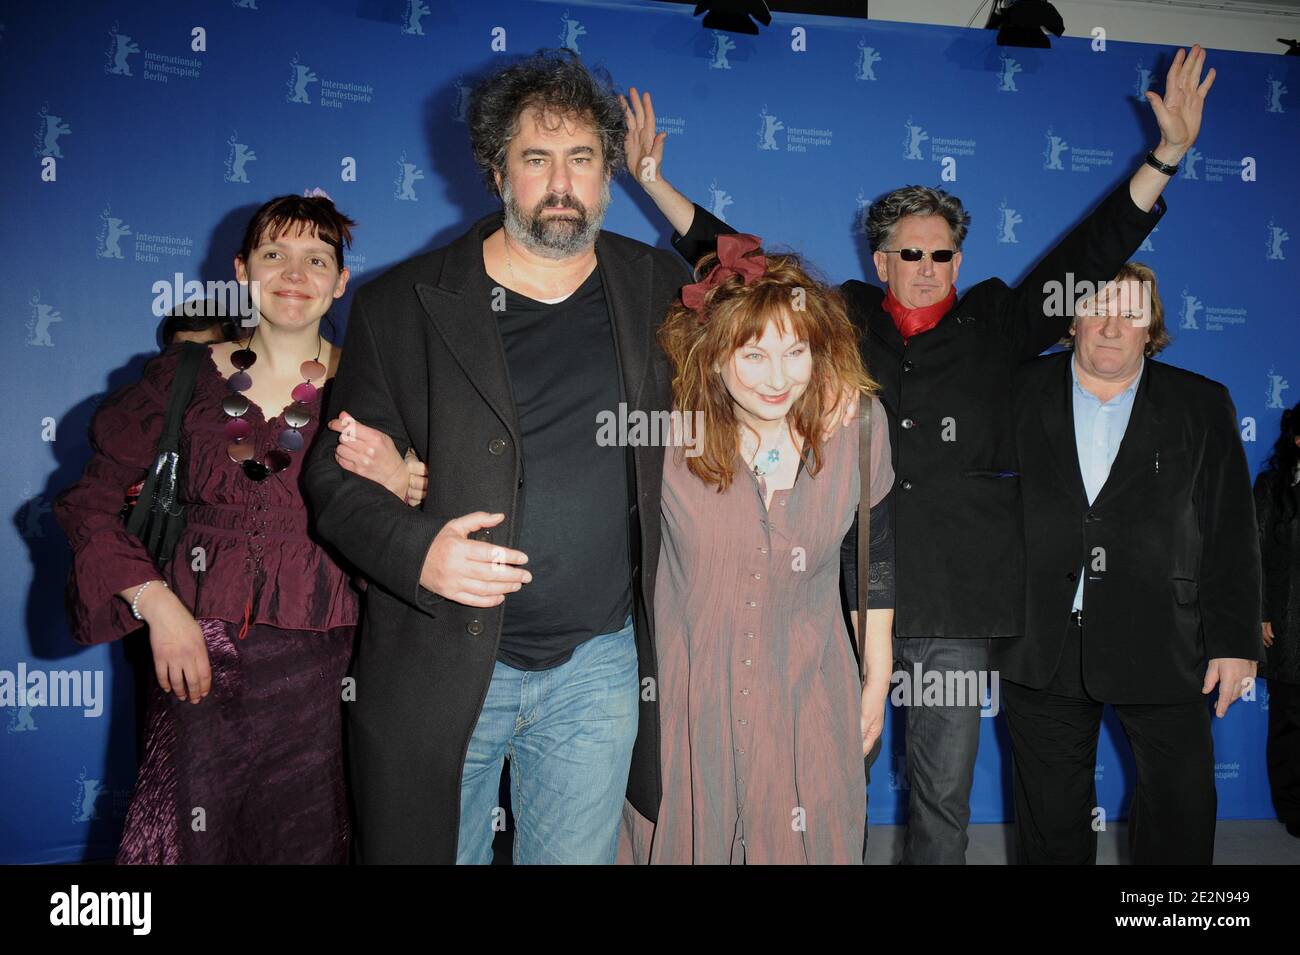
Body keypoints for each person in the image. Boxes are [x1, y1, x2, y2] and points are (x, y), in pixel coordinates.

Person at [623, 42, 1211, 863]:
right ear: (881, 259)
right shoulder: (837, 316)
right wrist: (651, 181)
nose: (927, 268)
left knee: (941, 796)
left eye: (942, 254)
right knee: (825, 782)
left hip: (959, 608)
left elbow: (1088, 257)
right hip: (839, 596)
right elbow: (739, 267)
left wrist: (1166, 157)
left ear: (959, 262)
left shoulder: (999, 321)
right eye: (910, 252)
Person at [302, 49, 699, 865]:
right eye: (537, 159)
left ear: (607, 172)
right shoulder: (399, 304)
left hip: (598, 663)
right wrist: (422, 552)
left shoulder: (655, 285)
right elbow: (333, 480)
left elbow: (760, 281)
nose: (562, 182)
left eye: (583, 159)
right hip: (439, 664)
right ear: (495, 172)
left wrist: (658, 182)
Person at [54, 194, 425, 864]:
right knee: (190, 840)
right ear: (242, 270)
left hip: (331, 670)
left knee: (312, 843)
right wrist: (157, 603)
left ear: (341, 280)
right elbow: (88, 503)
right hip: (198, 657)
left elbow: (428, 533)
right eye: (274, 254)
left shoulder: (379, 385)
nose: (295, 272)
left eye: (317, 258)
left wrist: (403, 487)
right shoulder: (182, 377)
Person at [617, 237, 895, 864]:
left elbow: (874, 560)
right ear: (713, 356)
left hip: (808, 696)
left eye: (798, 352)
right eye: (754, 354)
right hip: (688, 705)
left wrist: (876, 678)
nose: (779, 378)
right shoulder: (665, 434)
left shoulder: (859, 428)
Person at [996, 263, 1262, 864]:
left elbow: (1229, 533)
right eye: (1098, 308)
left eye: (1131, 313)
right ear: (1072, 320)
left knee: (1179, 809)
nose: (1112, 327)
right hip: (1042, 642)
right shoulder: (1015, 390)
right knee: (1050, 816)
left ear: (1152, 329)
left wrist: (1235, 641)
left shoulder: (1201, 403)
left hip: (1168, 640)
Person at [1254, 399, 1300, 839]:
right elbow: (1255, 553)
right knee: (1289, 719)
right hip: (1289, 621)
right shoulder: (1273, 487)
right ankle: (1293, 806)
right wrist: (1262, 611)